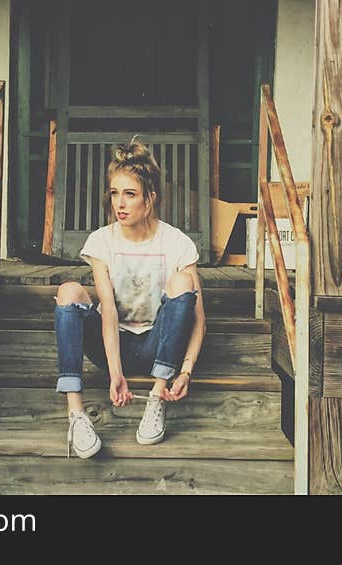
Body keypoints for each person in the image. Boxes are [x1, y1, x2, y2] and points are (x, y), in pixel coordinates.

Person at [53, 139, 206, 458]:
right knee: (68, 291)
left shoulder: (176, 243)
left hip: (159, 344)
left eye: (130, 194)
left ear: (150, 198)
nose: (119, 203)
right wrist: (115, 373)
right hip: (114, 343)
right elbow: (107, 309)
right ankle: (76, 415)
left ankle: (156, 396)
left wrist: (186, 370)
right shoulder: (101, 241)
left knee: (182, 280)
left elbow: (198, 318)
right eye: (114, 193)